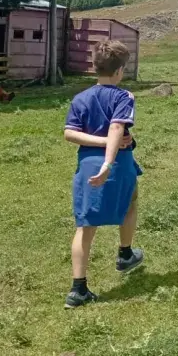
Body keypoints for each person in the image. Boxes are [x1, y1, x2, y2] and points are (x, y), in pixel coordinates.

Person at [62, 40, 144, 308]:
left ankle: (78, 289)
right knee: (130, 202)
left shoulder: (80, 98)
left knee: (85, 225)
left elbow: (69, 133)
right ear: (119, 70)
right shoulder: (123, 97)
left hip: (86, 163)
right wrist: (108, 162)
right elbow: (116, 129)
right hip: (117, 163)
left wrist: (95, 143)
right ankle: (124, 253)